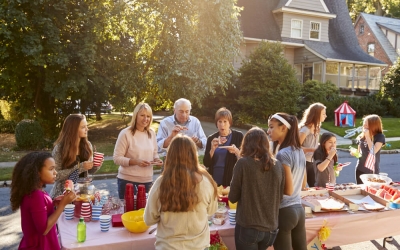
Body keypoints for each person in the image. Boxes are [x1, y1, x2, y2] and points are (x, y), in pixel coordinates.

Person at [144, 135, 218, 250]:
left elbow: (149, 219)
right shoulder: (207, 181)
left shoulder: (160, 184)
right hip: (199, 246)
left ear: (170, 155)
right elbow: (212, 210)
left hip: (169, 246)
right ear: (194, 155)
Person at [228, 127, 292, 250]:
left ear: (246, 144)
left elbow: (232, 197)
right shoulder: (277, 164)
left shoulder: (243, 163)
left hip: (249, 227)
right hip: (270, 229)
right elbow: (279, 197)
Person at [10, 152, 76, 250]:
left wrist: (53, 203)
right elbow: (44, 229)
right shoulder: (35, 195)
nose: (55, 172)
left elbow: (38, 212)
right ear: (37, 172)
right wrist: (62, 204)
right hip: (40, 246)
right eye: (51, 169)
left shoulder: (36, 191)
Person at [268, 113, 307, 250]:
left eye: (271, 127)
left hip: (285, 212)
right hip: (299, 210)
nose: (268, 131)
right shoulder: (299, 151)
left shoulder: (283, 154)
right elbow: (303, 184)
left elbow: (288, 190)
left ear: (283, 128)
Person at [113, 103, 162, 199]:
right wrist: (136, 162)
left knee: (145, 213)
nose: (145, 119)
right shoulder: (125, 133)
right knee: (128, 212)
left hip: (147, 181)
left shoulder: (151, 133)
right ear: (136, 116)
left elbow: (154, 153)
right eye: (142, 115)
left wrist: (156, 160)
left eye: (148, 116)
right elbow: (117, 158)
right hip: (127, 181)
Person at [50, 114, 97, 199]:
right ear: (73, 130)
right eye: (83, 127)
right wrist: (80, 167)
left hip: (82, 195)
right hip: (62, 196)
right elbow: (55, 176)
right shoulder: (60, 149)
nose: (87, 129)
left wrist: (96, 164)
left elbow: (90, 171)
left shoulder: (88, 145)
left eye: (86, 126)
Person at [203, 107, 243, 186]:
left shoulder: (238, 136)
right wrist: (212, 150)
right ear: (216, 123)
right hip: (214, 178)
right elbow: (206, 163)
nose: (222, 125)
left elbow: (244, 160)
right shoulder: (211, 138)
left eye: (225, 121)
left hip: (231, 178)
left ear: (230, 123)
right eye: (219, 121)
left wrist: (236, 151)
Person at [298, 103, 327, 187]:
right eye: (323, 114)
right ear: (316, 115)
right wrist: (312, 149)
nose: (326, 116)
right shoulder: (305, 130)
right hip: (303, 162)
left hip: (312, 161)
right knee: (301, 187)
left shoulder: (317, 128)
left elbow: (312, 144)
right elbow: (296, 147)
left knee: (315, 186)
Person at [352, 114, 385, 184]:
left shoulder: (379, 137)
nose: (364, 127)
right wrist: (355, 153)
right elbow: (360, 152)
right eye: (364, 125)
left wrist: (367, 136)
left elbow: (373, 151)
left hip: (371, 170)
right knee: (361, 190)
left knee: (370, 192)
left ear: (374, 126)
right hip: (360, 168)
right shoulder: (362, 135)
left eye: (366, 125)